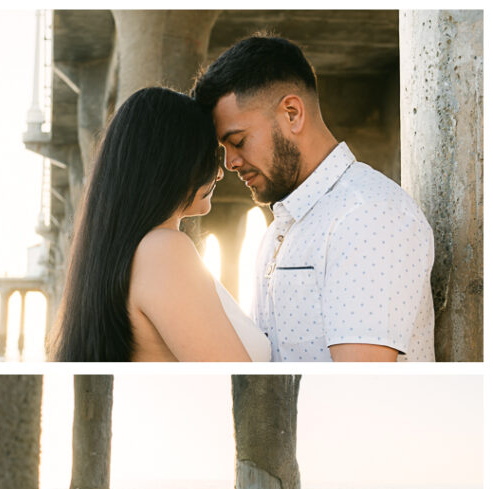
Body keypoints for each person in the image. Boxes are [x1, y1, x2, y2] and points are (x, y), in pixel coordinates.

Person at [193, 35, 436, 363]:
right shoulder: (279, 232)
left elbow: (363, 390)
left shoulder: (367, 214)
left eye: (238, 141)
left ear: (292, 113)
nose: (230, 162)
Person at [47, 87, 270, 363]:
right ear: (174, 161)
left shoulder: (131, 253)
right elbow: (241, 381)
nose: (221, 172)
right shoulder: (164, 250)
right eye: (211, 156)